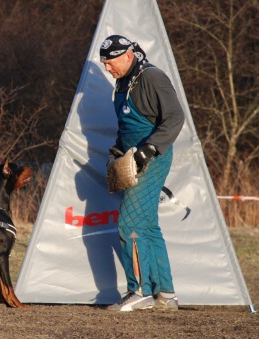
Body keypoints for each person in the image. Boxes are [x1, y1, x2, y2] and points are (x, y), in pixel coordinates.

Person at [99, 35, 185, 311]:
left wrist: (149, 149)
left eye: (110, 63)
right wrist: (118, 148)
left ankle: (139, 292)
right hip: (132, 158)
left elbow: (175, 117)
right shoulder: (123, 82)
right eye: (104, 64)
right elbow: (127, 122)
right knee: (147, 226)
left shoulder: (153, 77)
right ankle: (166, 294)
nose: (107, 69)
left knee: (129, 224)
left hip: (152, 159)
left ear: (127, 56)